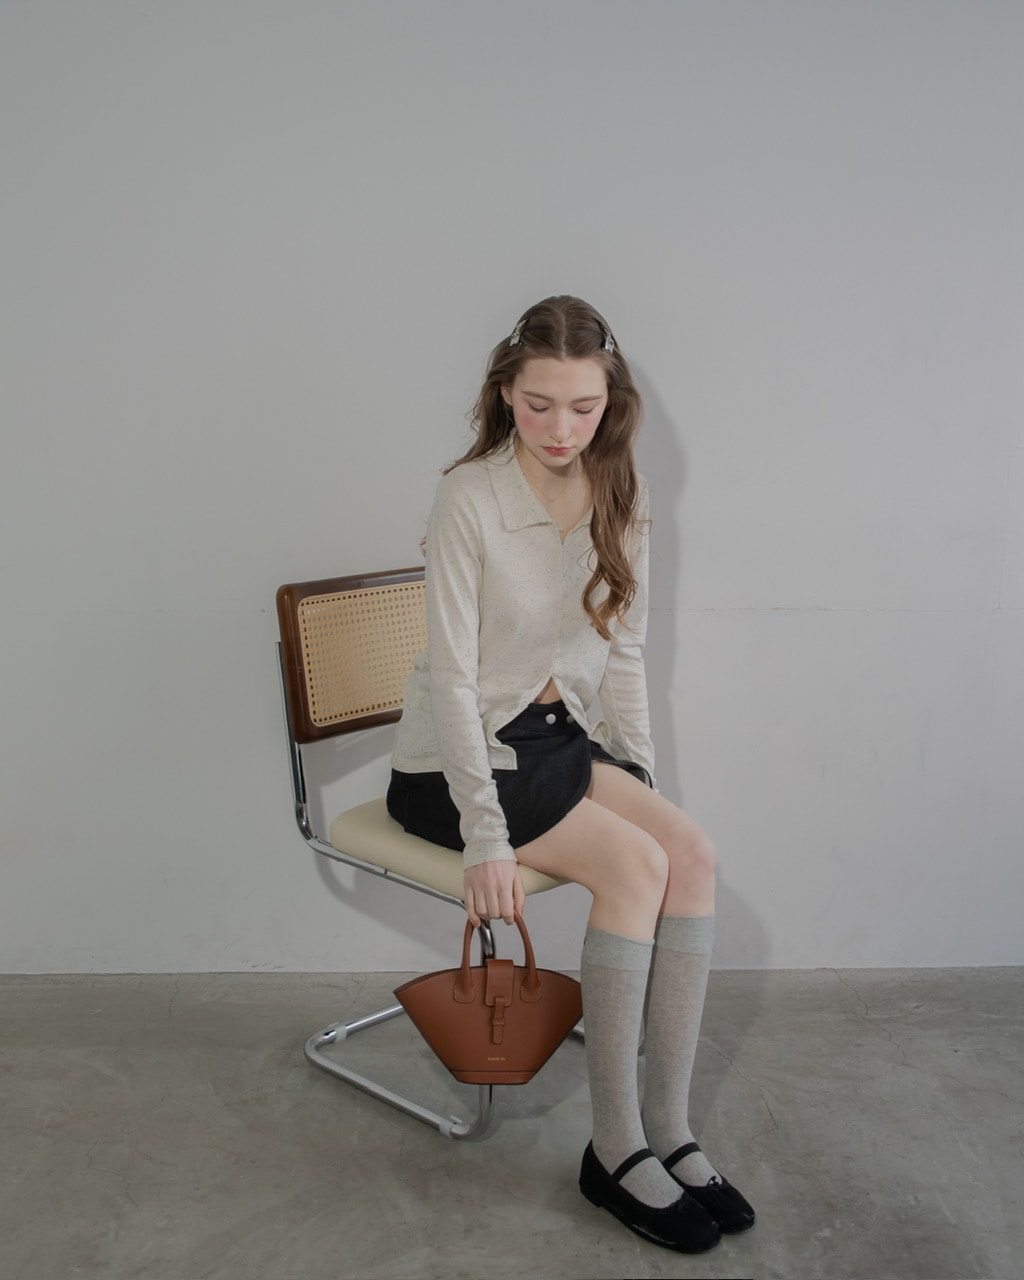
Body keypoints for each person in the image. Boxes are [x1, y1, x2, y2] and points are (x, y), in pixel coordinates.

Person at [387, 296, 754, 1253]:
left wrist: (641, 778)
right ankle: (614, 1148)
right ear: (505, 393)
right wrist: (484, 838)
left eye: (583, 407)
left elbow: (622, 654)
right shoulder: (470, 497)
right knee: (636, 868)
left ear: (611, 402)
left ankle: (669, 1129)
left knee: (690, 855)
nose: (560, 428)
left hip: (555, 743)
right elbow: (454, 681)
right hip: (458, 763)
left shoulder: (620, 492)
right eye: (538, 405)